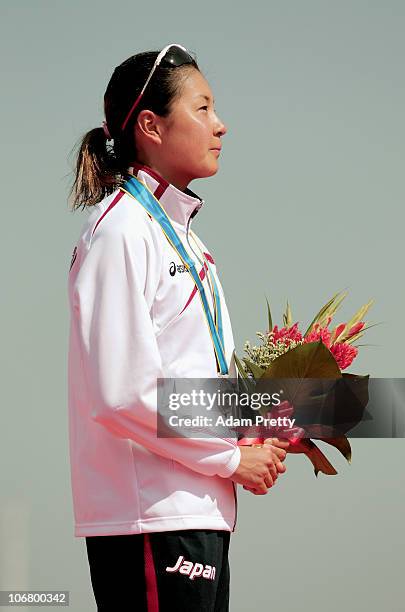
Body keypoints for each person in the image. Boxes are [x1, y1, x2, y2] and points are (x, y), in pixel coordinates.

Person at [67, 43, 289, 612]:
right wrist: (233, 459)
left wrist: (289, 416)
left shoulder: (191, 243)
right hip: (150, 517)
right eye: (203, 108)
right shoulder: (120, 233)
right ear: (151, 126)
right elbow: (122, 394)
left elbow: (204, 384)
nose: (222, 125)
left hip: (200, 511)